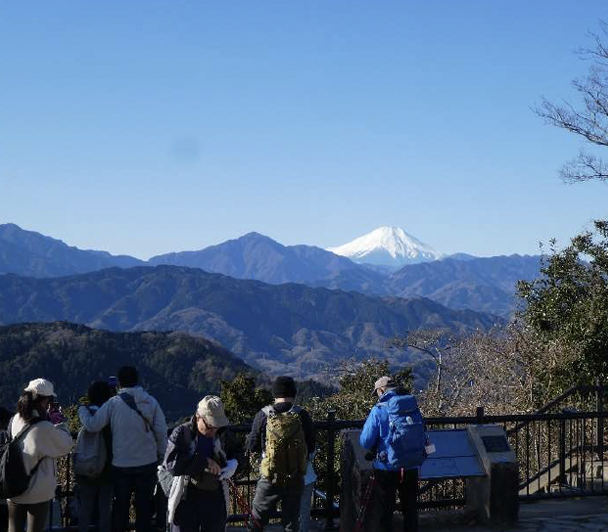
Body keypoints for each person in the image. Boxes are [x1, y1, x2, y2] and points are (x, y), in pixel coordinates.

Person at [79, 366, 168, 532]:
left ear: (119, 383)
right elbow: (162, 432)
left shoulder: (113, 403)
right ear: (137, 380)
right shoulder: (150, 401)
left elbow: (93, 425)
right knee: (144, 507)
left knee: (121, 507)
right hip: (147, 462)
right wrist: (161, 456)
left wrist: (82, 411)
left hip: (121, 464)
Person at [163, 395, 242, 532]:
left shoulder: (223, 432)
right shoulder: (182, 432)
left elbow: (239, 452)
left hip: (214, 493)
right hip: (187, 494)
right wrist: (204, 462)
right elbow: (172, 465)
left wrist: (235, 463)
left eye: (216, 427)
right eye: (210, 426)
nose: (213, 431)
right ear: (198, 417)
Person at [246, 376, 315, 532]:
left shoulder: (263, 415)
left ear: (275, 394)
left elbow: (252, 445)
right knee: (291, 522)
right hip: (295, 476)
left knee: (257, 520)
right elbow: (311, 446)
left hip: (270, 476)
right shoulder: (302, 415)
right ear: (294, 393)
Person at [7, 378, 74, 532]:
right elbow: (65, 445)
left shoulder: (14, 420)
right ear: (44, 401)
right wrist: (59, 423)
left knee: (13, 529)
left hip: (13, 485)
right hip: (37, 490)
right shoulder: (44, 427)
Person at [359, 376, 422, 532]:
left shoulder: (379, 410)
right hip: (411, 464)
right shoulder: (412, 407)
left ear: (381, 390)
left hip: (386, 466)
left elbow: (366, 441)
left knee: (385, 511)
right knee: (410, 510)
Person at [75, 381, 113, 532]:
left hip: (85, 466)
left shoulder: (85, 412)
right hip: (107, 468)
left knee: (85, 506)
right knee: (105, 507)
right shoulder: (109, 414)